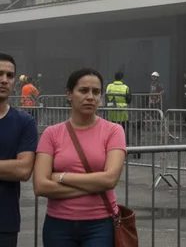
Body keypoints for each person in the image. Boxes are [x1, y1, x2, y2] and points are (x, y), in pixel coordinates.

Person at [33, 68, 127, 247]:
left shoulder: (114, 131)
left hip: (100, 224)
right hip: (58, 225)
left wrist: (61, 177)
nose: (90, 97)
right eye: (83, 90)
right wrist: (94, 185)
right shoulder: (51, 134)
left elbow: (110, 179)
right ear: (69, 94)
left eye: (96, 92)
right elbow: (40, 185)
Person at [0, 53, 37, 247]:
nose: (4, 80)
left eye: (9, 75)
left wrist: (16, 167)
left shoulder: (25, 123)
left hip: (4, 222)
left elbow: (23, 170)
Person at [105, 72, 131, 146]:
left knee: (112, 131)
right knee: (123, 131)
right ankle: (124, 145)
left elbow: (106, 98)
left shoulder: (109, 86)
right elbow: (129, 100)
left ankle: (111, 144)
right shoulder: (125, 87)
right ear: (122, 78)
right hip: (123, 114)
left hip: (111, 113)